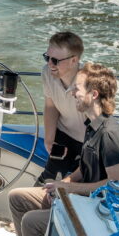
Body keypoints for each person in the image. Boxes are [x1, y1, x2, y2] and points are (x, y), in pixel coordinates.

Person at [0, 62, 119, 236]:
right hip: (76, 198)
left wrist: (70, 190)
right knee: (17, 197)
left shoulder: (109, 135)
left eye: (77, 88)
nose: (71, 92)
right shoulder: (92, 125)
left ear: (93, 94)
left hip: (92, 210)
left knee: (32, 222)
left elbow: (117, 184)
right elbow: (84, 169)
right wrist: (63, 183)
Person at [38, 32, 86, 183]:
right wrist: (49, 139)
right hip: (63, 134)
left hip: (88, 142)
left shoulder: (89, 82)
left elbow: (100, 121)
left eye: (55, 60)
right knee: (47, 180)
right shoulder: (47, 72)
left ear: (74, 60)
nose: (50, 64)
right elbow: (51, 106)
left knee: (77, 187)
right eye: (47, 58)